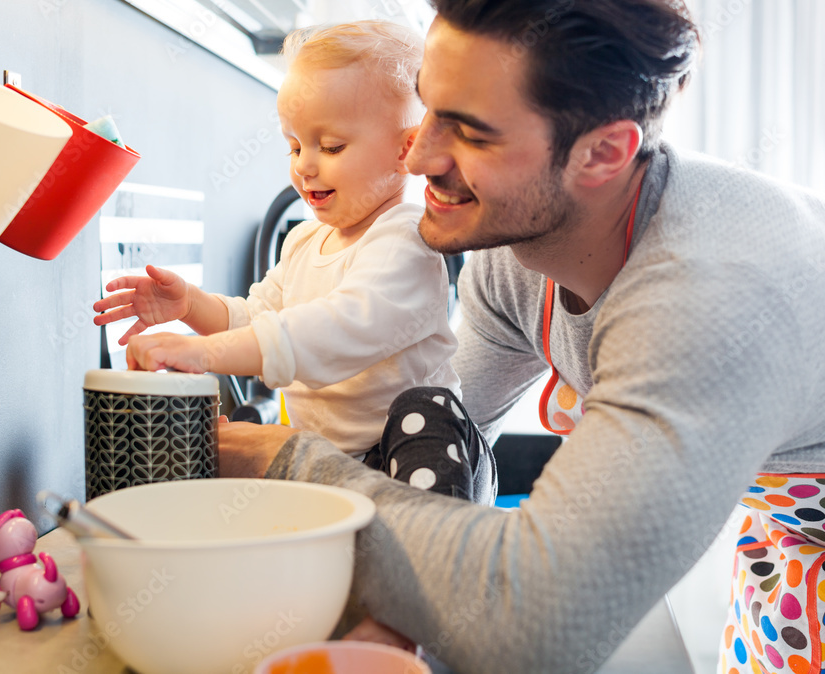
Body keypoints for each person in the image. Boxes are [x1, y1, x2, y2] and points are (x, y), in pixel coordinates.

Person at [216, 1, 825, 672]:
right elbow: (418, 445)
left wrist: (283, 462)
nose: (416, 157)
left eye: (471, 133)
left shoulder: (711, 301)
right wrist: (389, 614)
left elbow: (542, 621)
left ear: (603, 153)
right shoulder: (513, 260)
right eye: (427, 109)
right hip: (789, 539)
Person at [93, 21, 494, 506]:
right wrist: (191, 306)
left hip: (430, 456)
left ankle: (437, 541)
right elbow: (259, 316)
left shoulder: (405, 239)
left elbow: (332, 330)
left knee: (423, 408)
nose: (305, 164)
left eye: (331, 147)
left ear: (405, 150)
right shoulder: (304, 241)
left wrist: (205, 354)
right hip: (341, 466)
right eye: (295, 145)